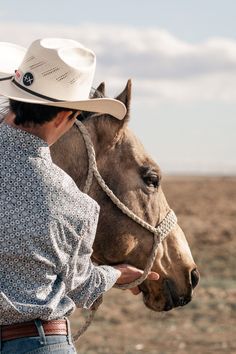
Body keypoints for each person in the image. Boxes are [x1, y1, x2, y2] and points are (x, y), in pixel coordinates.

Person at [0, 38, 159, 353]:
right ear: (64, 118)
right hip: (38, 343)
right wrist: (115, 274)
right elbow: (82, 287)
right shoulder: (74, 205)